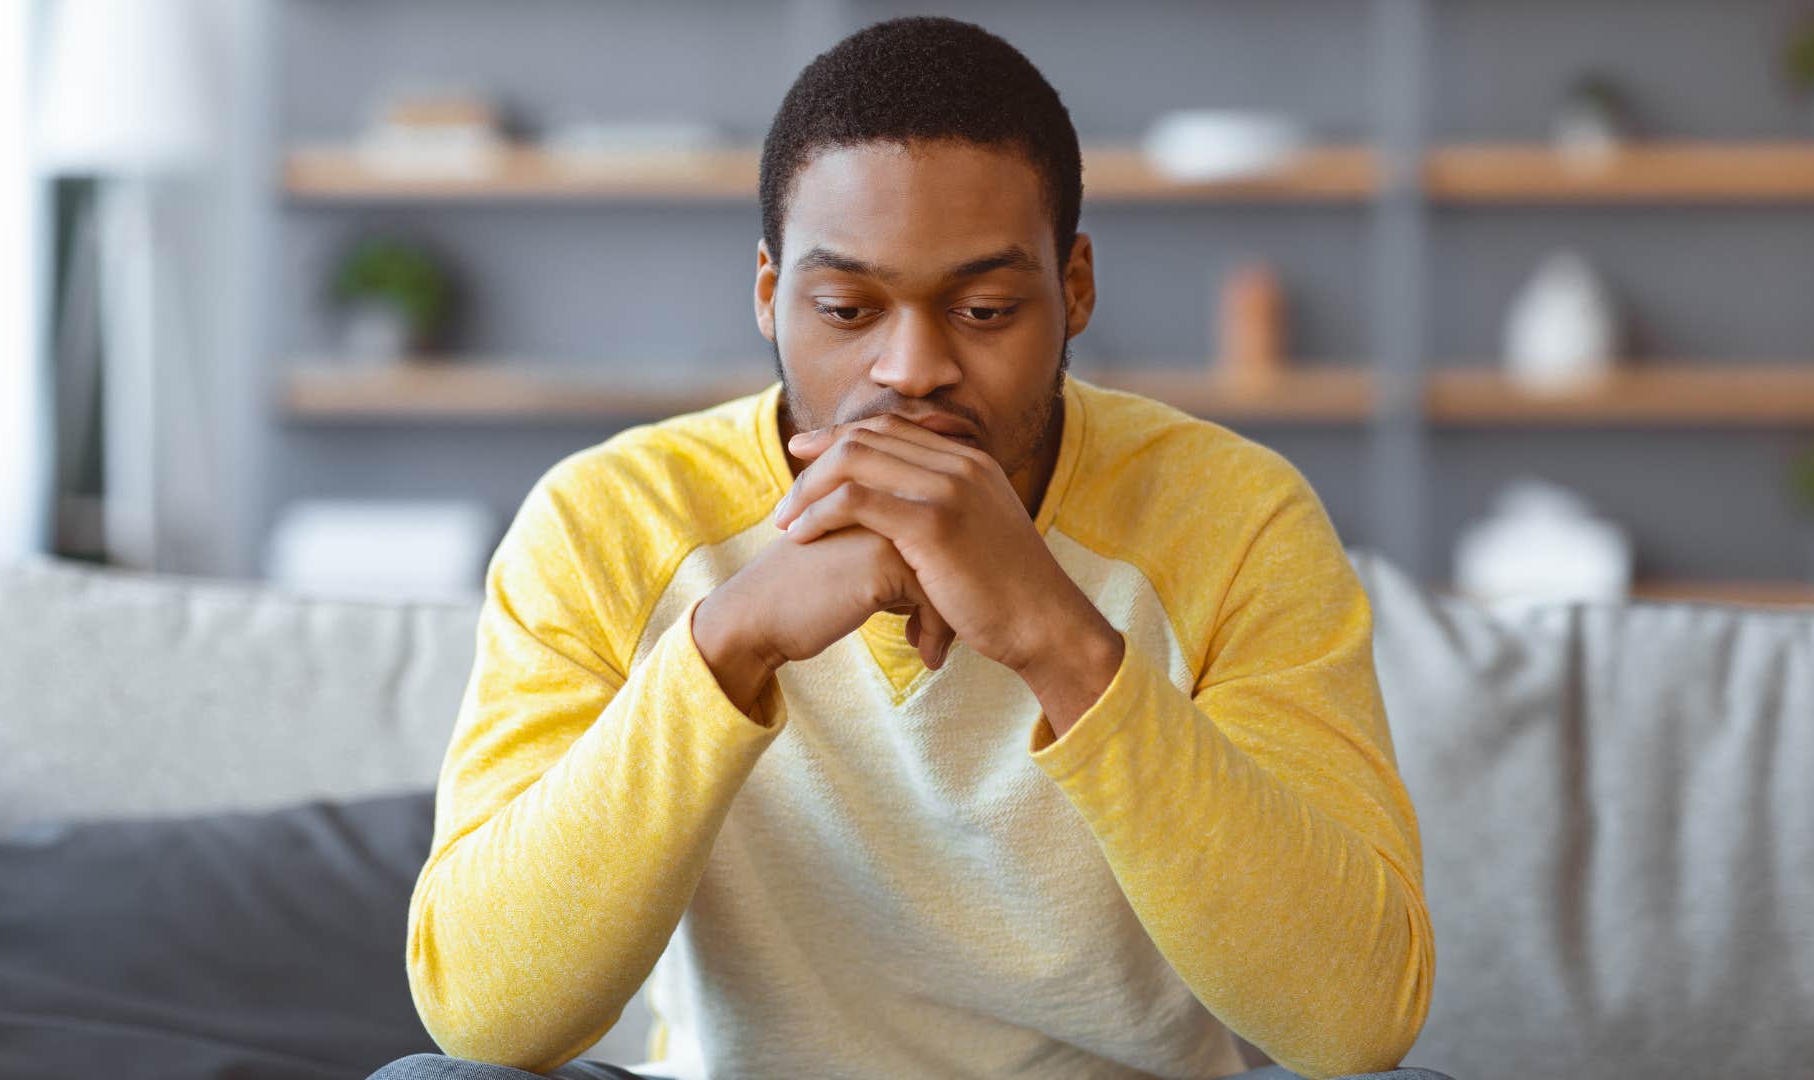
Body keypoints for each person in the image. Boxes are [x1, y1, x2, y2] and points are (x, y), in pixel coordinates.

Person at [372, 16, 1451, 1080]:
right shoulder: (607, 520)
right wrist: (727, 644)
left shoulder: (1237, 518)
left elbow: (1356, 1025)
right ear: (768, 293)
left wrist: (1059, 642)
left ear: (1073, 288)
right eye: (846, 308)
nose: (913, 367)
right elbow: (485, 1014)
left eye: (983, 310)